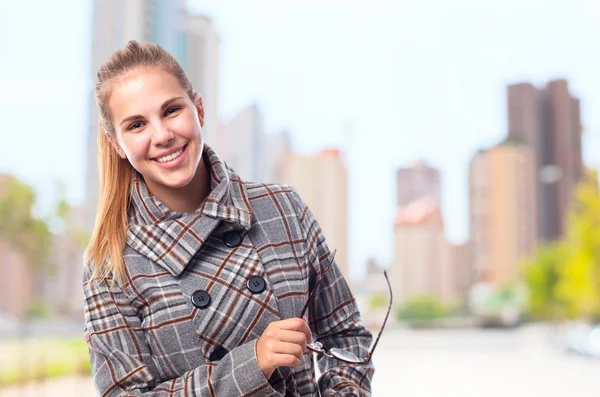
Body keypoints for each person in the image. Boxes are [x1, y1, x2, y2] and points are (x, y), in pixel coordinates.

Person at [83, 40, 374, 396]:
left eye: (172, 111)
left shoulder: (282, 209)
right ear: (116, 145)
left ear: (199, 109)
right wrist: (252, 364)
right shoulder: (110, 264)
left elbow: (344, 335)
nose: (162, 135)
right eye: (137, 125)